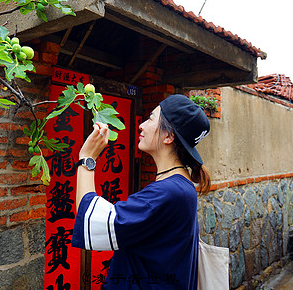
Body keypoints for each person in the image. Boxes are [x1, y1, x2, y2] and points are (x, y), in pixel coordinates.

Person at [72, 94, 211, 289]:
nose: (141, 125)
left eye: (151, 118)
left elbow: (90, 219)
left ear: (169, 136)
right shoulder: (182, 185)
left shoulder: (169, 192)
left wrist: (86, 159)